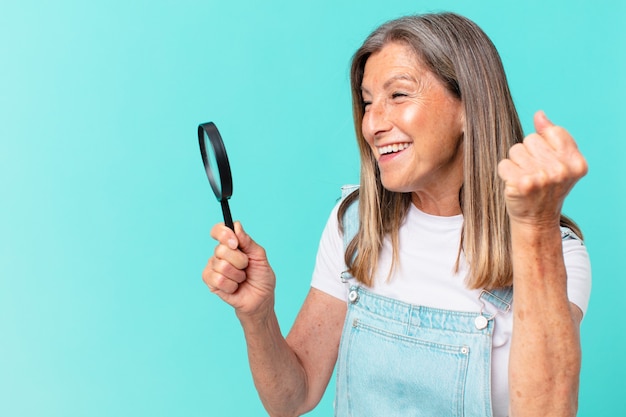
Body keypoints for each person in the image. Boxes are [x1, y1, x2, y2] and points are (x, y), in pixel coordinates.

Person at [202, 12, 591, 417]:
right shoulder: (354, 224)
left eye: (399, 96)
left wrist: (535, 226)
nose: (372, 124)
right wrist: (258, 316)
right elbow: (291, 399)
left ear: (468, 106)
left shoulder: (556, 253)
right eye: (368, 102)